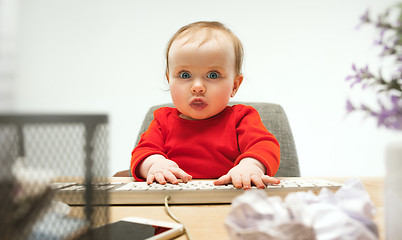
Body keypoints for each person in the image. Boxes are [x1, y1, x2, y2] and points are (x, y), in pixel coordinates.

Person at [130, 21, 280, 189]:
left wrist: (251, 166)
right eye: (185, 74)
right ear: (169, 80)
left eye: (213, 75)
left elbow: (265, 145)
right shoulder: (161, 120)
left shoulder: (241, 117)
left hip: (229, 199)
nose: (197, 87)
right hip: (172, 198)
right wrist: (154, 164)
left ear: (235, 85)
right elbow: (142, 153)